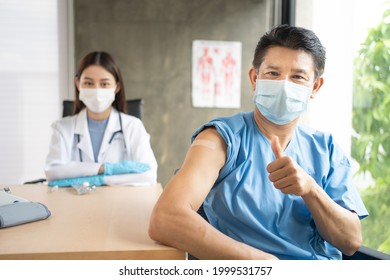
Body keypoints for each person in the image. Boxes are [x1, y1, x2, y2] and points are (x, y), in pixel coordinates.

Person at [149, 25, 368, 260]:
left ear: (315, 87)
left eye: (297, 77)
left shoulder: (327, 149)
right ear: (255, 78)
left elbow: (350, 241)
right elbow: (166, 218)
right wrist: (260, 264)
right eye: (273, 74)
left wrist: (310, 189)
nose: (284, 84)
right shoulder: (221, 139)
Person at [45, 51, 157, 187]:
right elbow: (53, 171)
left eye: (104, 84)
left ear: (117, 86)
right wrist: (104, 169)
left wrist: (100, 180)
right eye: (88, 83)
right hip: (75, 203)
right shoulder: (62, 127)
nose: (96, 90)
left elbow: (149, 175)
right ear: (77, 83)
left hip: (119, 204)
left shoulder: (133, 126)